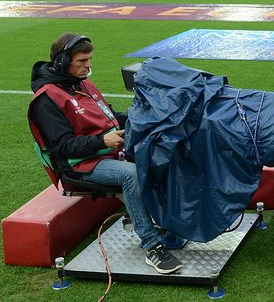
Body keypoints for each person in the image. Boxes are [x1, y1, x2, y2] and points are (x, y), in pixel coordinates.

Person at [29, 33, 183, 274]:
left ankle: (172, 223)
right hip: (80, 165)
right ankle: (153, 246)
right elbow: (63, 147)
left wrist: (146, 119)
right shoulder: (47, 99)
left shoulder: (83, 85)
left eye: (89, 59)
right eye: (81, 61)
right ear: (61, 62)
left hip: (109, 151)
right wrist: (102, 141)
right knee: (130, 174)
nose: (88, 66)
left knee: (164, 150)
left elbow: (111, 117)